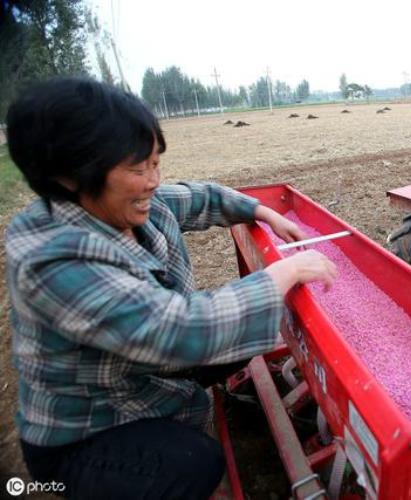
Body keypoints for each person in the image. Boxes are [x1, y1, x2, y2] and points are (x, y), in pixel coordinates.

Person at [4, 77, 337, 499]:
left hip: (137, 371)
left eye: (156, 163)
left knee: (243, 340)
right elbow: (178, 331)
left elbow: (198, 198)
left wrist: (259, 211)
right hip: (86, 430)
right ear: (70, 176)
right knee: (194, 463)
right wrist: (282, 274)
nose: (153, 181)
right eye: (138, 168)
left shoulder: (118, 204)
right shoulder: (54, 258)